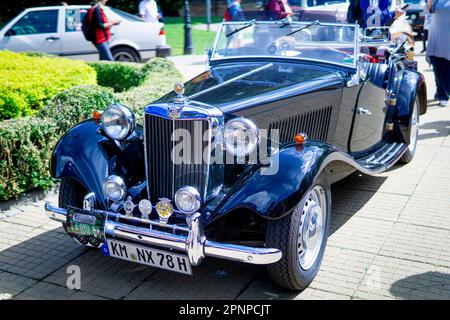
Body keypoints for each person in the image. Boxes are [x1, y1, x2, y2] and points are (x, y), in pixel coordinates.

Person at [427, 0, 450, 107]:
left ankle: (443, 95)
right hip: (435, 37)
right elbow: (429, 10)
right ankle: (440, 89)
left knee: (446, 69)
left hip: (448, 39)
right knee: (437, 68)